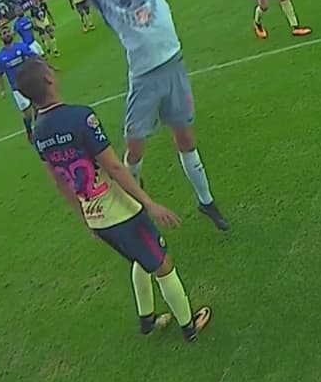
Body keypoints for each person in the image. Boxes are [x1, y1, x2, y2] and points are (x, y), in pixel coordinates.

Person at [50, 0, 231, 232]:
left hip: (173, 65)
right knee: (134, 147)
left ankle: (206, 202)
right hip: (145, 79)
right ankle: (134, 202)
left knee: (186, 139)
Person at [15, 57, 213, 343]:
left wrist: (85, 219)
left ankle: (147, 320)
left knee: (139, 258)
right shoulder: (80, 117)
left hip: (96, 216)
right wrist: (149, 203)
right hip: (121, 212)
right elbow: (114, 167)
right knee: (163, 265)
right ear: (49, 80)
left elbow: (60, 182)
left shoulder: (39, 133)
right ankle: (189, 326)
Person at [0, 27, 37, 140]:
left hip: (30, 82)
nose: (7, 34)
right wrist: (2, 90)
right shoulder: (0, 57)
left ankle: (39, 129)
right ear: (1, 38)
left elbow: (34, 57)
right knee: (27, 113)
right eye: (4, 33)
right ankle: (29, 131)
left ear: (12, 33)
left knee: (37, 107)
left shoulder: (21, 47)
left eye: (8, 32)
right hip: (17, 88)